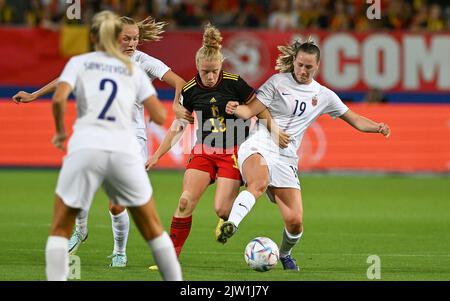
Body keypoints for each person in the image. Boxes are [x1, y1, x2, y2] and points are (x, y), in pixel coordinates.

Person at [12, 15, 190, 267]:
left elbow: (180, 82)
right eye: (126, 38)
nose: (132, 43)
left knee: (117, 205)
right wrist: (34, 95)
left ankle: (119, 251)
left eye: (136, 38)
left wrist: (175, 103)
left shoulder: (143, 62)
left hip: (132, 140)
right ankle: (80, 230)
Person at [220, 38, 391, 271]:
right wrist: (236, 109)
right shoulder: (277, 82)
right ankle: (231, 224)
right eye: (299, 64)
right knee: (258, 183)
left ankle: (285, 254)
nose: (302, 70)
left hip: (286, 157)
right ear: (294, 61)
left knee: (295, 221)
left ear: (317, 67)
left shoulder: (324, 95)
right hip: (260, 143)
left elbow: (355, 119)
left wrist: (377, 127)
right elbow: (252, 110)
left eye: (308, 67)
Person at [146, 23, 289, 269]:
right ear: (198, 67)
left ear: (221, 65)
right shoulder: (190, 90)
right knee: (184, 201)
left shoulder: (235, 83)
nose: (210, 76)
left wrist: (274, 130)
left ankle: (226, 218)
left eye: (214, 71)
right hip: (204, 150)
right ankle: (168, 260)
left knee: (223, 211)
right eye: (205, 72)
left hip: (233, 152)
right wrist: (157, 154)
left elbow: (260, 108)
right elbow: (179, 126)